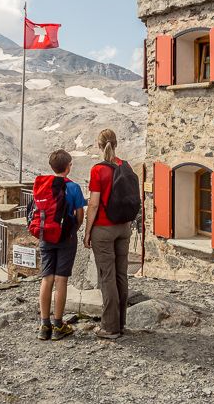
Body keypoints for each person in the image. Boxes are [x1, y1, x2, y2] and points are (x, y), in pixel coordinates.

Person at [83, 129, 133, 339]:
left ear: (98, 145)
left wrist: (87, 233)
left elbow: (93, 204)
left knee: (107, 276)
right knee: (121, 275)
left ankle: (110, 327)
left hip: (103, 229)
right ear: (116, 144)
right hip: (124, 227)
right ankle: (120, 323)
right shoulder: (126, 166)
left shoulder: (98, 170)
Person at [38, 149, 86, 341]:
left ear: (52, 167)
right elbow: (80, 213)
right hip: (66, 238)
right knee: (61, 280)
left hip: (46, 236)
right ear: (68, 167)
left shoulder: (43, 185)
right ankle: (58, 325)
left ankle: (44, 325)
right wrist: (75, 228)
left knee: (46, 278)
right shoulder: (73, 188)